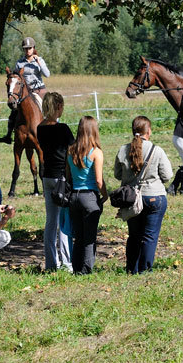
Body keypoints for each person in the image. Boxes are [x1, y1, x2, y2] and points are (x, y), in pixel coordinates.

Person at [114, 116, 173, 274]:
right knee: (149, 236)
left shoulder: (123, 150)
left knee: (133, 235)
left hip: (132, 199)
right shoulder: (157, 150)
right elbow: (167, 176)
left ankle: (131, 268)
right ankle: (145, 270)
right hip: (154, 197)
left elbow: (117, 174)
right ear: (149, 131)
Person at [36, 92, 74, 272]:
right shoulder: (63, 129)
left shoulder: (40, 128)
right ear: (58, 106)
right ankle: (67, 263)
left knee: (51, 222)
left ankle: (51, 263)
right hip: (61, 177)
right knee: (64, 222)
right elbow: (72, 151)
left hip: (47, 177)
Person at [66, 116, 108, 274]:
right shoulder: (96, 152)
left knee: (78, 236)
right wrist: (105, 195)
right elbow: (98, 180)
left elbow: (68, 176)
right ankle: (86, 269)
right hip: (89, 196)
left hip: (74, 197)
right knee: (90, 236)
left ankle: (76, 268)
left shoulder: (71, 150)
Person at [0, 37, 50, 144]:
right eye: (25, 49)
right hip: (26, 92)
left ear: (33, 48)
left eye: (30, 48)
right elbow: (16, 77)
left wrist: (38, 63)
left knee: (49, 109)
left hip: (39, 90)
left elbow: (47, 74)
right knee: (14, 111)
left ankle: (54, 132)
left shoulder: (40, 60)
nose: (28, 50)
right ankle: (8, 135)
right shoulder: (20, 63)